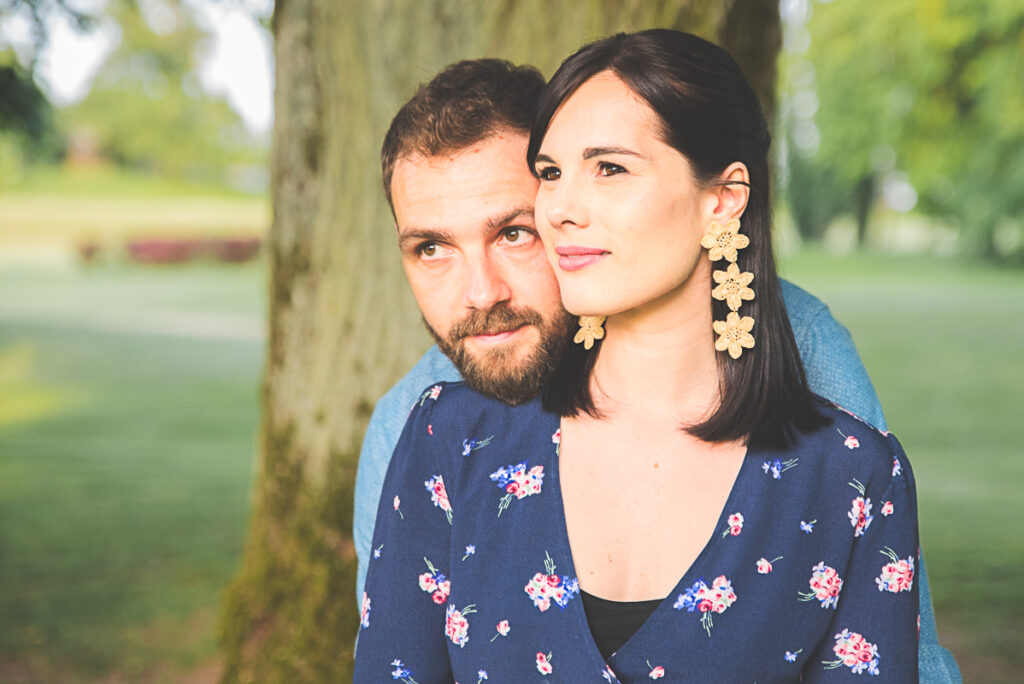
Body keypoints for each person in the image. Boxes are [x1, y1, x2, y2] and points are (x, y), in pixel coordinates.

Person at [353, 52, 959, 681]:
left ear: (723, 198)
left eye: (513, 232)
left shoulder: (834, 423)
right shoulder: (431, 424)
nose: (481, 294)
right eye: (430, 247)